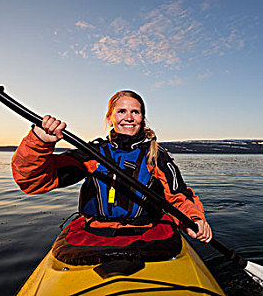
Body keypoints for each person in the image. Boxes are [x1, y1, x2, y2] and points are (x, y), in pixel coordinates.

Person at [11, 90, 212, 243]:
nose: (129, 117)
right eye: (121, 111)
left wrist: (195, 219)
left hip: (146, 234)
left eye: (136, 112)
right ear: (110, 118)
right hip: (94, 234)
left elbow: (179, 196)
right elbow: (33, 181)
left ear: (142, 119)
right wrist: (39, 142)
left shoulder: (156, 156)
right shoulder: (91, 153)